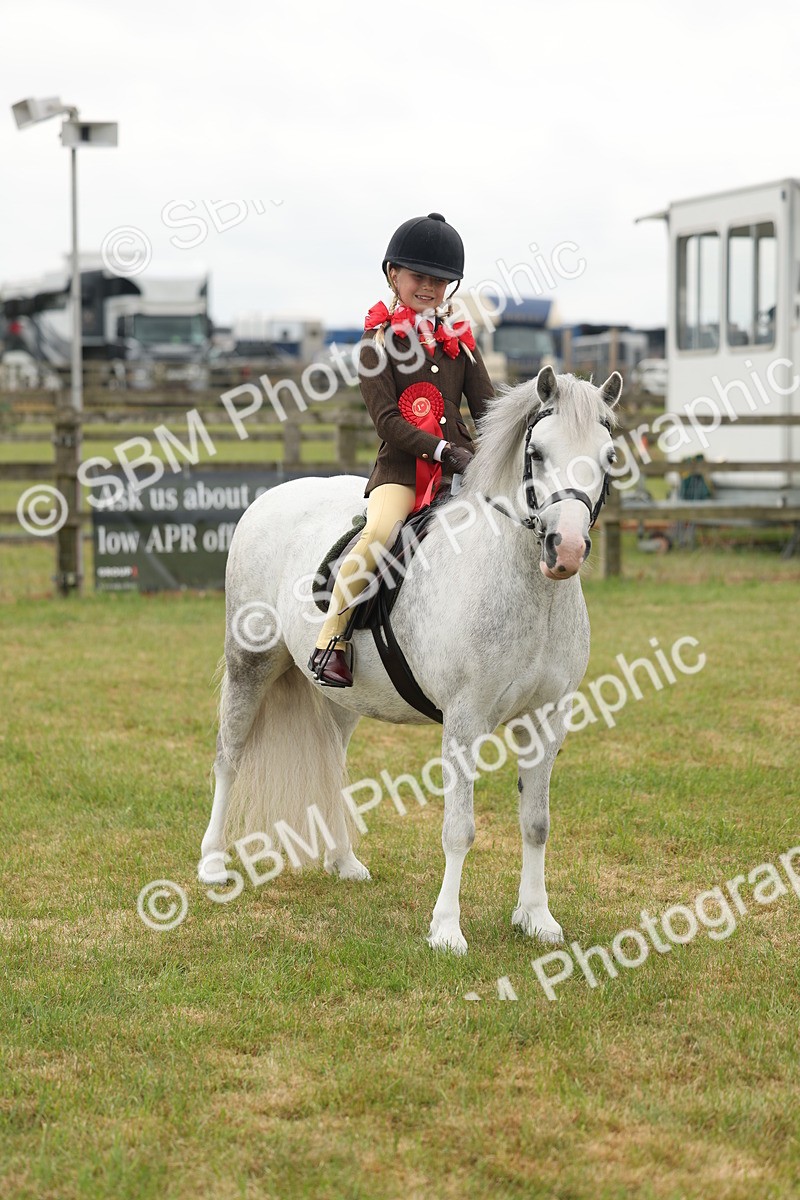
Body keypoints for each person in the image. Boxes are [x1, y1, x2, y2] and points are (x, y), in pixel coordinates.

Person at [308, 212, 494, 688]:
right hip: (401, 474)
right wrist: (442, 450)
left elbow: (488, 409)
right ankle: (332, 641)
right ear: (393, 274)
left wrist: (499, 449)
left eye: (439, 280)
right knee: (380, 533)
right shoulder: (375, 344)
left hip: (463, 471)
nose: (429, 287)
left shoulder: (460, 342)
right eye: (418, 276)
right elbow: (388, 422)